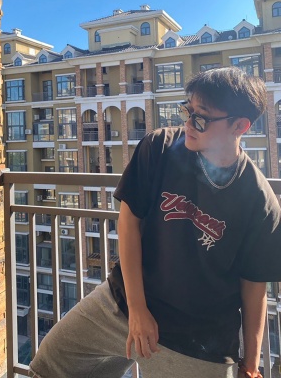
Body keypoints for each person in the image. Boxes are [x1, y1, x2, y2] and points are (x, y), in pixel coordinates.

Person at [29, 67, 281, 378]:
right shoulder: (160, 147)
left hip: (197, 340)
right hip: (123, 303)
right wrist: (137, 310)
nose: (188, 123)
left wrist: (251, 366)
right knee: (48, 366)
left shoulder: (259, 200)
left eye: (201, 118)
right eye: (187, 111)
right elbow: (128, 224)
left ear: (239, 126)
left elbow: (254, 287)